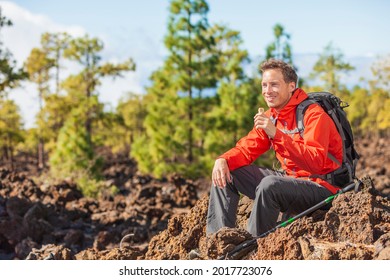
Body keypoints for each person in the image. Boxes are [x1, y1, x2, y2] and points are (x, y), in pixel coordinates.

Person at [206, 58, 343, 237]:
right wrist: (223, 159)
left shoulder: (314, 115)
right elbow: (247, 148)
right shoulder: (273, 117)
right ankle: (219, 240)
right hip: (290, 180)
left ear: (291, 86)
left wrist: (276, 134)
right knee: (226, 171)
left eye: (274, 85)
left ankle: (253, 244)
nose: (267, 91)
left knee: (269, 185)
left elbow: (315, 163)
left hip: (322, 187)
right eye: (264, 85)